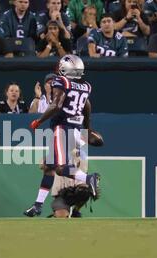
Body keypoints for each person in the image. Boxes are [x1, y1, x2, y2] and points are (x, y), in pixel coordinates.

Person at [25, 54, 101, 217]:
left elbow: (56, 105)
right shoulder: (86, 86)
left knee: (60, 168)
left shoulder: (63, 82)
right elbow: (87, 107)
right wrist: (87, 130)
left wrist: (39, 121)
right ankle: (37, 205)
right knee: (49, 166)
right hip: (74, 129)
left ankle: (89, 179)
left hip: (63, 128)